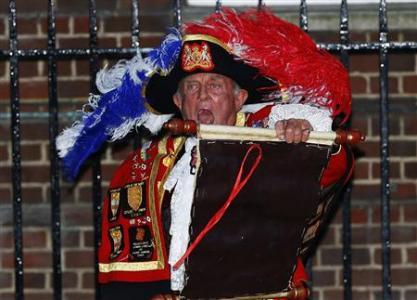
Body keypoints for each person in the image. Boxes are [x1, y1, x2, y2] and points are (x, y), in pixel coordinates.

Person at [57, 8, 352, 300]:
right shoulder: (142, 168)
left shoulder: (269, 140)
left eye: (215, 85)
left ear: (239, 98)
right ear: (178, 101)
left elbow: (331, 169)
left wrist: (305, 137)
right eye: (192, 87)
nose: (202, 95)